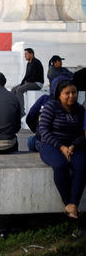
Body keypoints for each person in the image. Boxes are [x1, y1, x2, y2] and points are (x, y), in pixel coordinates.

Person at [38, 79, 85, 219]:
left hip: (74, 146)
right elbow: (44, 131)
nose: (72, 96)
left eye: (74, 92)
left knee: (82, 166)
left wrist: (72, 146)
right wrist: (62, 147)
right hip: (51, 145)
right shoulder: (51, 106)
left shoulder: (80, 109)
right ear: (59, 94)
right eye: (67, 93)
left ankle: (73, 205)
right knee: (60, 165)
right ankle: (68, 204)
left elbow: (83, 134)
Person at [26, 76, 70, 152]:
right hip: (66, 144)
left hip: (48, 144)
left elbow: (31, 117)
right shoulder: (73, 104)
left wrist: (36, 129)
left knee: (31, 140)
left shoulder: (45, 99)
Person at [11, 48, 44, 116]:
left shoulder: (36, 62)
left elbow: (36, 76)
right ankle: (15, 108)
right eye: (24, 54)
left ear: (31, 54)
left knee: (19, 90)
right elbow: (26, 76)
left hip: (37, 83)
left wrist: (26, 82)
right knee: (13, 89)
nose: (25, 56)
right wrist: (23, 83)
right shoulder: (28, 64)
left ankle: (22, 111)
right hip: (29, 82)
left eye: (26, 54)